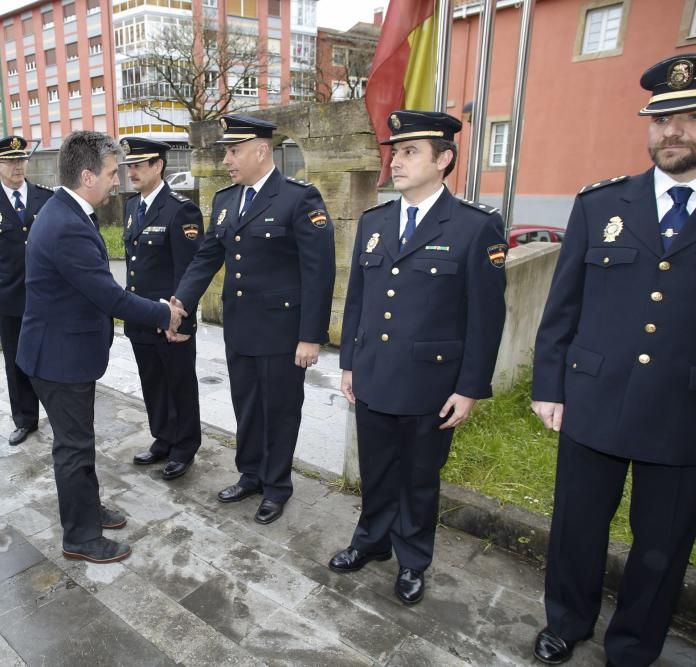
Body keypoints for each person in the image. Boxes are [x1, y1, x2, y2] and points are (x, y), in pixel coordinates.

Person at [530, 54, 696, 667]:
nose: (670, 130)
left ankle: (633, 645)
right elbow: (562, 304)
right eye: (659, 119)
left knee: (663, 542)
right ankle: (566, 621)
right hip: (593, 396)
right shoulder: (603, 204)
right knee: (577, 526)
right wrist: (549, 385)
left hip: (683, 407)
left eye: (685, 117)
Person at [328, 110, 507, 606]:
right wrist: (348, 363)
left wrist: (470, 388)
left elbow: (486, 318)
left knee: (420, 478)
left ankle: (412, 559)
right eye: (395, 151)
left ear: (443, 159)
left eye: (410, 152)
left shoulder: (475, 227)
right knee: (377, 470)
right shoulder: (376, 221)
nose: (397, 160)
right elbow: (358, 299)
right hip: (375, 375)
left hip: (433, 383)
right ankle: (371, 541)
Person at [16, 131, 186, 564]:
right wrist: (164, 313)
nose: (119, 181)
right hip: (59, 359)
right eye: (113, 173)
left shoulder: (68, 212)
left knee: (80, 442)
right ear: (88, 175)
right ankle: (81, 536)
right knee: (73, 448)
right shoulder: (67, 226)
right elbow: (109, 295)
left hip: (61, 353)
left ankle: (87, 509)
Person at [171, 114, 336, 525]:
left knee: (280, 408)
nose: (227, 159)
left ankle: (277, 486)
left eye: (234, 150)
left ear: (262, 150)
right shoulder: (227, 200)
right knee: (246, 405)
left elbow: (319, 271)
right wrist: (179, 303)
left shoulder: (299, 198)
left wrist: (311, 336)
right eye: (226, 151)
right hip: (241, 327)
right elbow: (207, 256)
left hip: (282, 331)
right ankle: (251, 474)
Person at [120, 137, 204, 480]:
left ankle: (184, 447)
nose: (132, 172)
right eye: (129, 166)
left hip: (170, 321)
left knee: (179, 384)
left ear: (159, 165)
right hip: (141, 316)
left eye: (139, 165)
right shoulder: (130, 207)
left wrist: (182, 324)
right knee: (152, 382)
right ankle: (163, 437)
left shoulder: (180, 208)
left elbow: (190, 271)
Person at [0, 135, 54, 446]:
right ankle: (25, 419)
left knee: (51, 356)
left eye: (21, 160)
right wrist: (7, 274)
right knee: (17, 359)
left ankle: (58, 414)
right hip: (11, 297)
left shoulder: (45, 198)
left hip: (46, 295)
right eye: (10, 161)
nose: (18, 166)